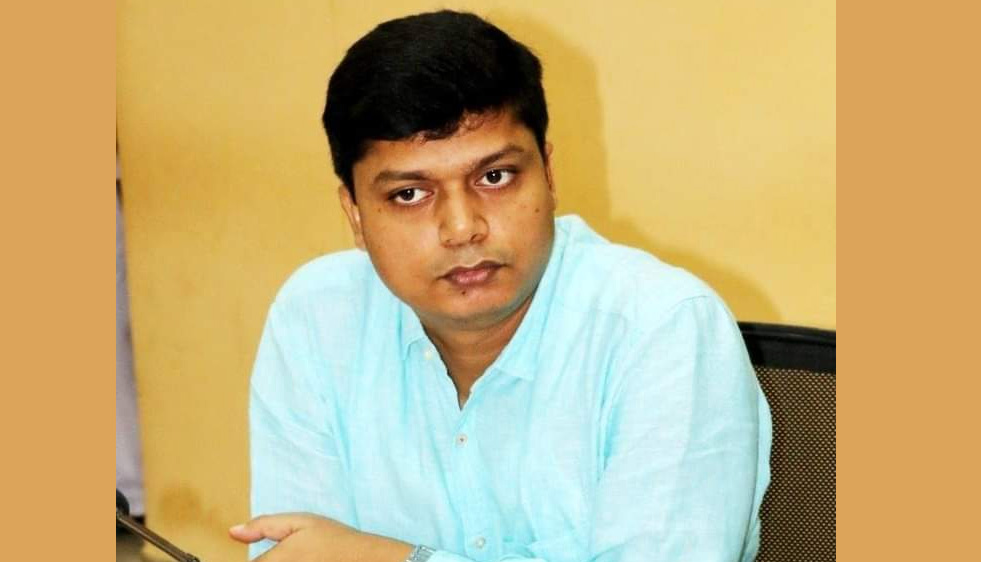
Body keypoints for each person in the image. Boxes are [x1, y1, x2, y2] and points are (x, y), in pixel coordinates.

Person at [229, 10, 772, 562]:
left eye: (494, 177)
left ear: (548, 174)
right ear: (354, 212)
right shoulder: (317, 318)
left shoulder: (663, 328)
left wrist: (390, 558)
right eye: (410, 194)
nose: (462, 228)